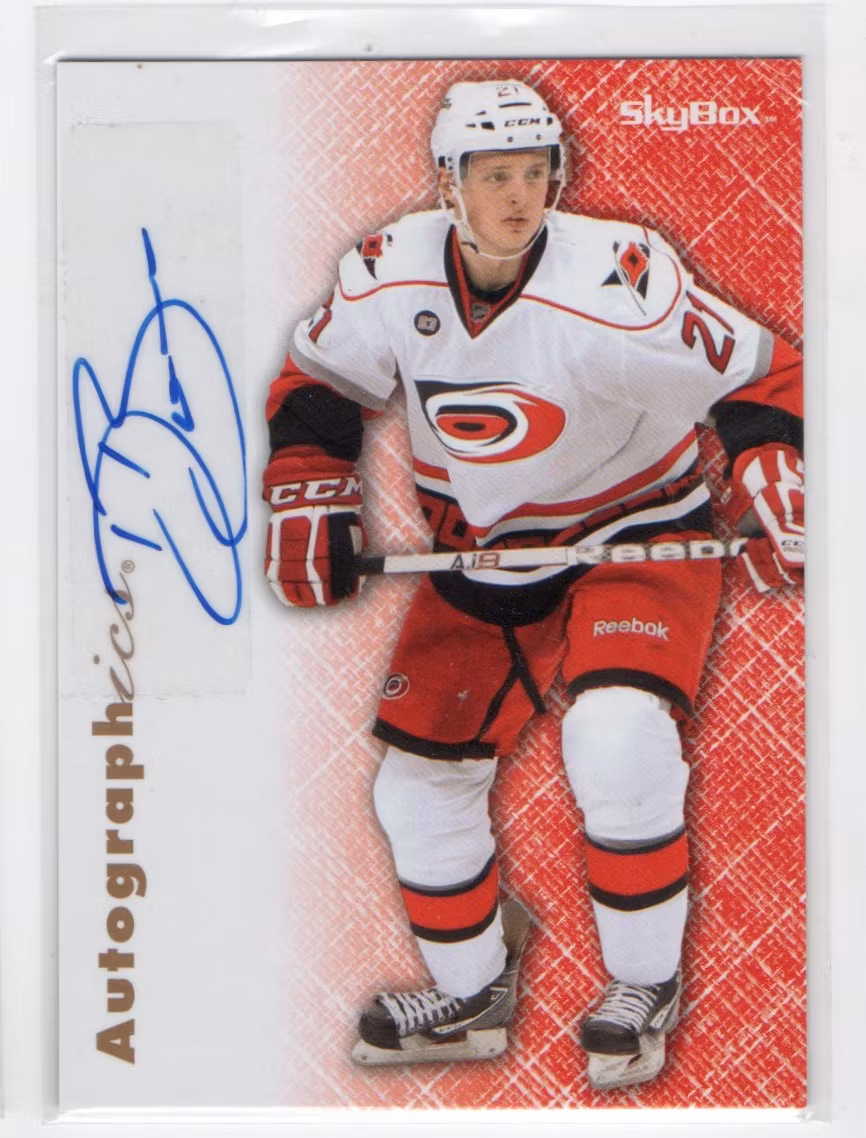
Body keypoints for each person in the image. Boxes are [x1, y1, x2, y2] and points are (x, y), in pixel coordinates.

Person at [262, 79, 803, 1090]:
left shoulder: (617, 278)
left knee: (616, 736)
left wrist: (773, 471)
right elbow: (320, 383)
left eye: (533, 172)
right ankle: (469, 993)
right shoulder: (389, 272)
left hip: (634, 535)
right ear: (446, 183)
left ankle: (641, 983)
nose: (518, 197)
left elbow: (763, 376)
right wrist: (308, 485)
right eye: (493, 175)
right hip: (482, 554)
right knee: (415, 786)